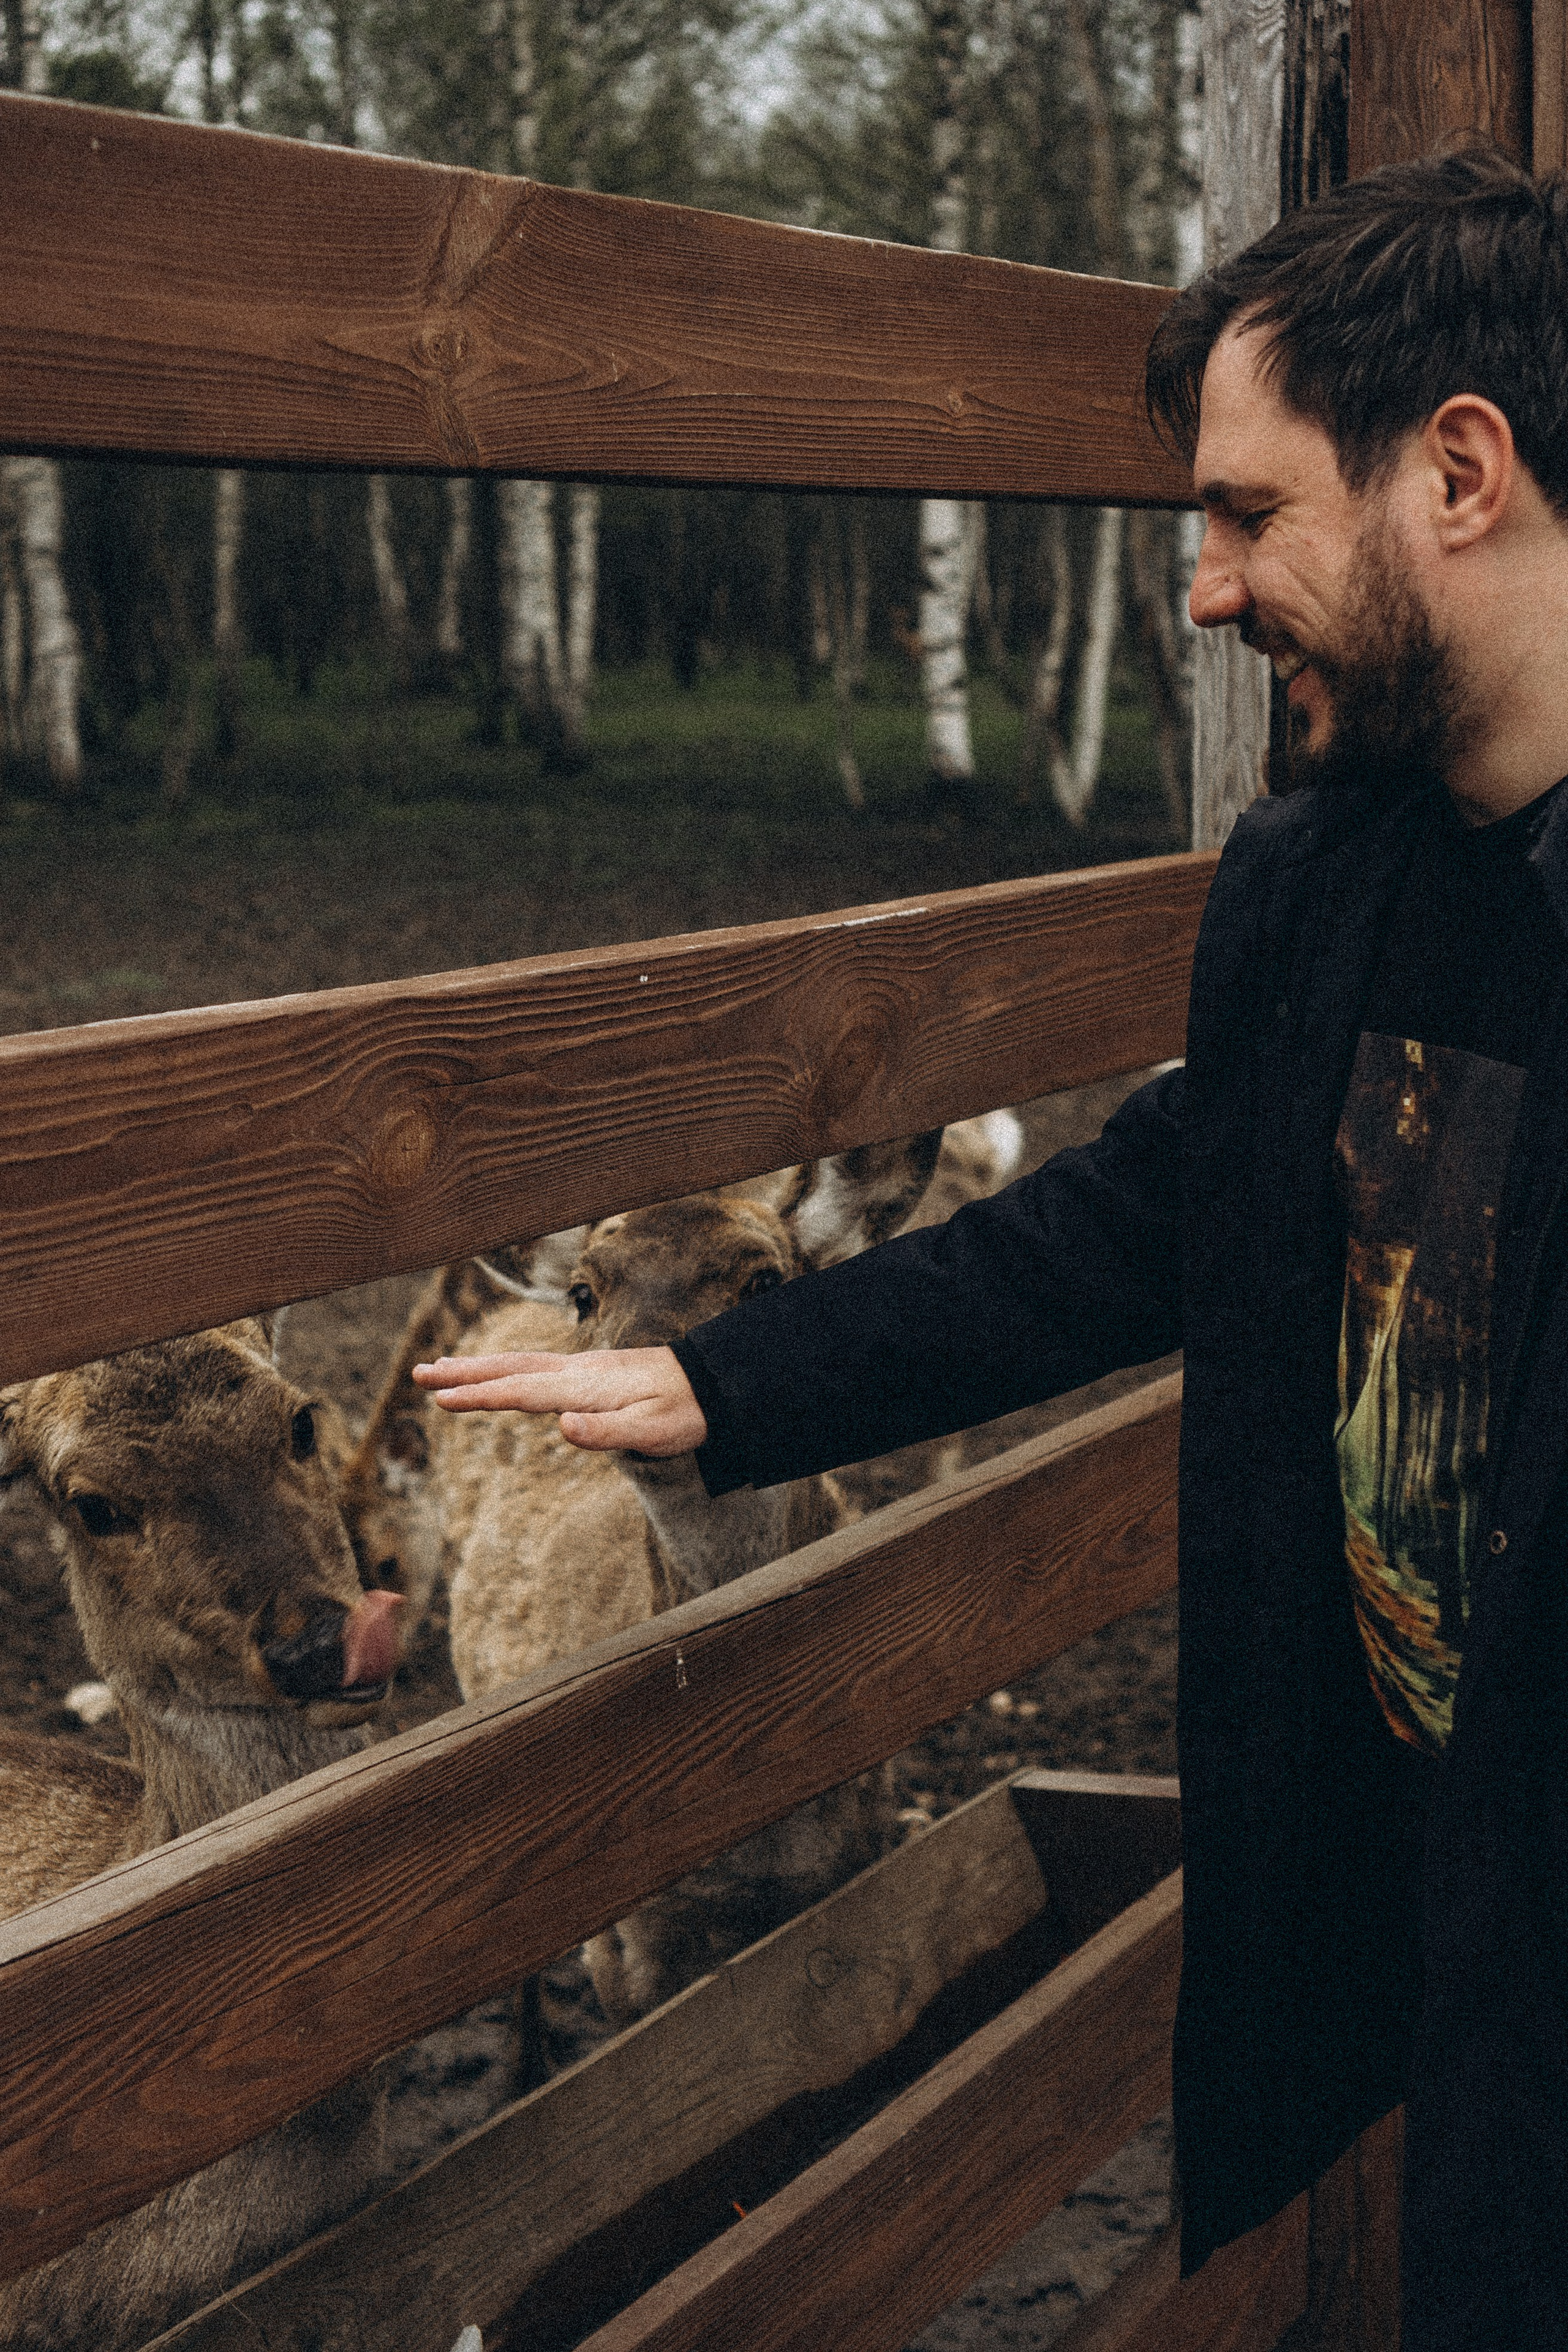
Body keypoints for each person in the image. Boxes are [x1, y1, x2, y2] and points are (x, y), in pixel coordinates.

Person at [415, 146, 1568, 2351]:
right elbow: (1149, 1213)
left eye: (1246, 515)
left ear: (1458, 471)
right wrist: (733, 1377)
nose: (1205, 593)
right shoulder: (1326, 883)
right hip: (1458, 1929)